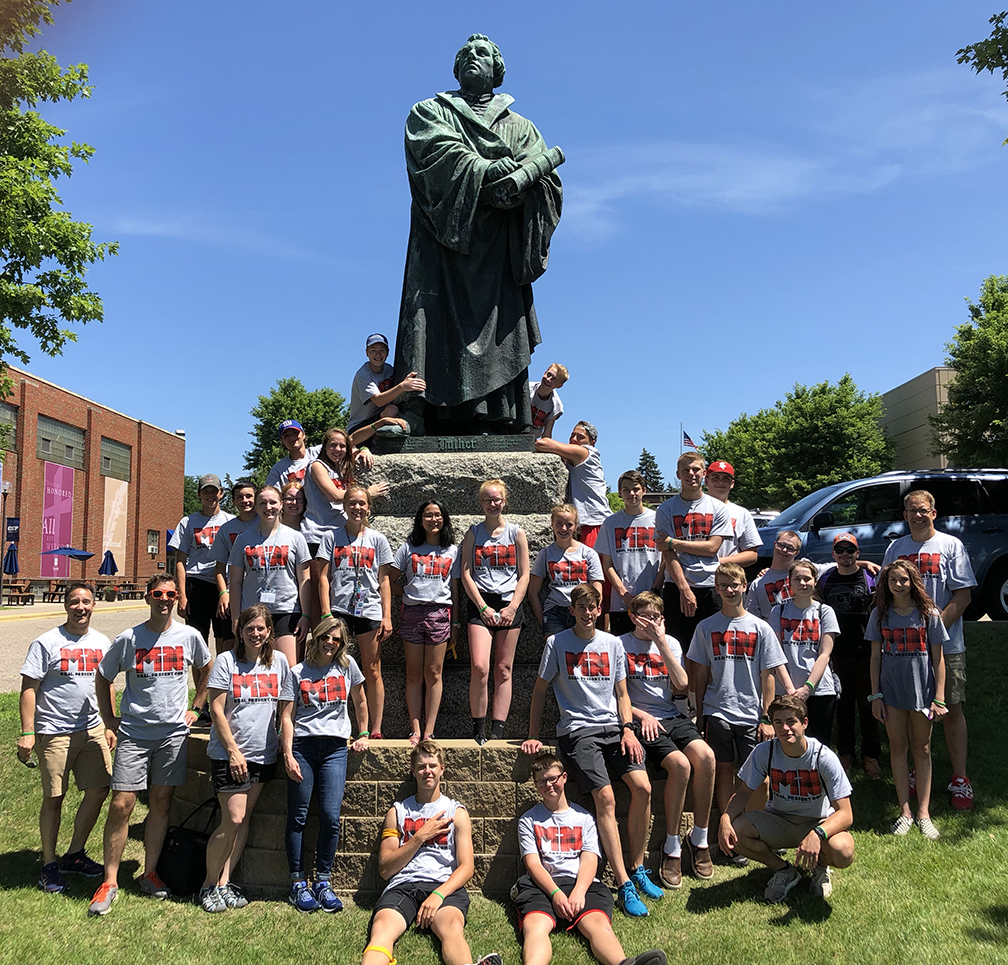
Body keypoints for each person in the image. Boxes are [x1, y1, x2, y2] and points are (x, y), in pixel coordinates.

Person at [393, 33, 562, 436]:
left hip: (499, 246)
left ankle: (502, 413)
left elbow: (548, 182)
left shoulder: (521, 127)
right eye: (465, 54)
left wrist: (520, 189)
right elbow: (434, 154)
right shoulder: (430, 111)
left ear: (496, 70)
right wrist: (489, 173)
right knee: (428, 318)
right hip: (442, 239)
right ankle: (416, 411)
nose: (473, 57)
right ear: (455, 69)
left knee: (500, 322)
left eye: (482, 53)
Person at [522, 584, 662, 918]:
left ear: (600, 609)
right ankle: (624, 883)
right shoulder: (557, 643)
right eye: (582, 606)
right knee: (607, 799)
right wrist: (532, 734)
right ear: (572, 610)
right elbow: (540, 690)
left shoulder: (612, 643)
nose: (588, 612)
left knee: (643, 787)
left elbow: (623, 694)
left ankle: (638, 868)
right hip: (577, 732)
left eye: (593, 606)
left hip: (614, 729)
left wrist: (628, 729)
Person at [88, 574, 211, 916]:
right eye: (158, 593)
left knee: (161, 801)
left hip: (172, 734)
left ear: (175, 599)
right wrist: (109, 718)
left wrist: (196, 707)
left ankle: (150, 872)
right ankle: (109, 880)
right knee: (122, 804)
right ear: (147, 597)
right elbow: (103, 676)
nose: (164, 599)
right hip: (134, 732)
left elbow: (207, 668)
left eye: (170, 594)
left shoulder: (189, 636)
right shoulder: (129, 638)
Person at [515, 750, 667, 965]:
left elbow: (589, 859)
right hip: (543, 885)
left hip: (582, 883)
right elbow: (532, 863)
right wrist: (556, 894)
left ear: (564, 778)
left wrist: (578, 891)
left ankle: (625, 964)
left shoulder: (584, 818)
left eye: (553, 779)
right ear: (535, 785)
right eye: (541, 782)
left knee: (597, 925)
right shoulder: (529, 820)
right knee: (536, 927)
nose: (548, 785)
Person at [686, 563, 793, 867]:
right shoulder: (706, 627)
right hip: (718, 709)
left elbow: (768, 674)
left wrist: (766, 717)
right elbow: (701, 671)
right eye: (723, 585)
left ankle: (757, 831)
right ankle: (730, 833)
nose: (730, 590)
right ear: (716, 589)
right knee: (724, 771)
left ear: (745, 586)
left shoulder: (760, 627)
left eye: (735, 584)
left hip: (751, 713)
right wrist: (699, 710)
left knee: (758, 779)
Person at [361, 740, 502, 965]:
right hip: (403, 886)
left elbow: (467, 867)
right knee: (381, 929)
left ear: (442, 770)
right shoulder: (397, 812)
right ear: (413, 771)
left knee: (451, 927)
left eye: (433, 766)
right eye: (421, 766)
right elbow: (386, 869)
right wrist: (419, 837)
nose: (427, 771)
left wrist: (439, 895)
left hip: (443, 885)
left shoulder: (456, 812)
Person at [882, 489, 976, 811]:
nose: (918, 515)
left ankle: (959, 778)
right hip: (906, 650)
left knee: (949, 708)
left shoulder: (951, 545)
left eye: (923, 510)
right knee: (912, 711)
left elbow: (962, 596)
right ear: (905, 515)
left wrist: (933, 634)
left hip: (946, 646)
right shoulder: (897, 548)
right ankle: (915, 774)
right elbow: (886, 590)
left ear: (933, 513)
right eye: (911, 510)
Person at [18, 582, 115, 893]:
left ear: (94, 605)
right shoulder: (46, 642)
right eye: (74, 601)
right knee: (54, 798)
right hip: (54, 731)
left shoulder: (102, 642)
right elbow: (29, 689)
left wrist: (110, 721)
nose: (81, 607)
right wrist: (27, 732)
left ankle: (74, 854)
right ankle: (48, 865)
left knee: (99, 789)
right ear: (65, 606)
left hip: (92, 729)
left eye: (86, 601)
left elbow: (108, 683)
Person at [718, 695, 855, 903]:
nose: (785, 729)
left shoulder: (823, 757)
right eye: (778, 723)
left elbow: (846, 813)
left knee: (843, 850)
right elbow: (743, 793)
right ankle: (784, 870)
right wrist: (725, 819)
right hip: (780, 819)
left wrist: (817, 834)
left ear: (805, 723)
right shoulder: (766, 751)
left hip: (816, 821)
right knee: (734, 832)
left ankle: (820, 868)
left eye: (791, 721)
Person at [200, 604, 290, 913]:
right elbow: (216, 710)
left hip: (263, 753)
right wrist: (233, 751)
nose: (255, 633)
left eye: (261, 628)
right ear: (240, 631)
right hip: (230, 754)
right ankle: (208, 884)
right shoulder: (227, 661)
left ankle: (224, 883)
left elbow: (283, 707)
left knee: (244, 820)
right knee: (233, 818)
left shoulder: (278, 662)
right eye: (250, 628)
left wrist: (282, 736)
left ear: (269, 632)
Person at [621, 592, 716, 887]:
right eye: (644, 615)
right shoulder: (619, 644)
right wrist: (641, 717)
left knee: (706, 757)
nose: (650, 622)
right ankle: (671, 845)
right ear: (633, 617)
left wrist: (661, 641)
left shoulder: (671, 642)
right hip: (641, 720)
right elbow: (616, 696)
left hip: (671, 716)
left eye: (656, 616)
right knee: (680, 765)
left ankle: (699, 836)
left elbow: (682, 683)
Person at [280, 613, 369, 912]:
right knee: (299, 816)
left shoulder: (347, 667)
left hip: (335, 748)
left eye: (336, 639)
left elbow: (360, 701)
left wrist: (364, 732)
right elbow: (287, 717)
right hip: (303, 747)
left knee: (331, 816)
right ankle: (297, 882)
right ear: (315, 638)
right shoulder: (297, 672)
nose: (330, 643)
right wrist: (288, 753)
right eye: (325, 638)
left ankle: (323, 881)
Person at [867, 560, 949, 839]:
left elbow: (938, 661)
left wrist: (939, 697)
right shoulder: (880, 614)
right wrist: (875, 695)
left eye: (904, 580)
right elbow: (875, 657)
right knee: (898, 747)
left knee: (922, 748)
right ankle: (905, 812)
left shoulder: (929, 614)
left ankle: (924, 813)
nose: (899, 585)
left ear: (913, 582)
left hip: (923, 692)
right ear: (886, 584)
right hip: (891, 692)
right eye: (893, 580)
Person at [315, 485, 393, 738]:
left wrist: (387, 616)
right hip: (339, 610)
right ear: (345, 506)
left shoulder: (378, 539)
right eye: (352, 503)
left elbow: (384, 580)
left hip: (369, 610)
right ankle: (338, 724)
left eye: (362, 503)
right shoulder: (331, 537)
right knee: (335, 668)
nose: (357, 508)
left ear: (369, 507)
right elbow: (323, 576)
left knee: (372, 669)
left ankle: (376, 728)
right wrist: (326, 612)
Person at [459, 479, 530, 743]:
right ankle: (478, 727)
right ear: (481, 503)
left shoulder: (516, 533)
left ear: (504, 501)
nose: (492, 503)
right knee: (479, 666)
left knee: (503, 668)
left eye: (497, 499)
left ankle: (497, 730)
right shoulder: (473, 533)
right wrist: (482, 607)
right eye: (487, 499)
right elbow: (466, 573)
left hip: (510, 603)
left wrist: (513, 606)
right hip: (481, 602)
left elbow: (524, 575)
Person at [390, 500, 460, 744]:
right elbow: (387, 578)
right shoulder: (408, 548)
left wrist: (456, 623)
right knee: (413, 674)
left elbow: (455, 588)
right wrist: (407, 591)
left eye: (438, 515)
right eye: (428, 515)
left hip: (440, 614)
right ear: (420, 519)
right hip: (412, 613)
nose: (433, 520)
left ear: (444, 519)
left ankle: (429, 730)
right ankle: (415, 729)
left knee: (434, 673)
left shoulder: (452, 550)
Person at [656, 452, 733, 652]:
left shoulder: (718, 508)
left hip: (711, 586)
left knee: (714, 649)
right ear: (678, 474)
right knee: (681, 650)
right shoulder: (665, 509)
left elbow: (712, 548)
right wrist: (684, 589)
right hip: (677, 587)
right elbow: (667, 553)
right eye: (685, 470)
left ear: (704, 473)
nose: (691, 474)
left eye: (696, 469)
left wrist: (672, 542)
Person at [818, 533, 881, 778]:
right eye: (840, 550)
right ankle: (845, 754)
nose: (845, 554)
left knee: (868, 705)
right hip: (836, 653)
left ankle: (871, 755)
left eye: (850, 550)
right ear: (833, 554)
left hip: (866, 651)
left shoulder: (870, 577)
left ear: (858, 553)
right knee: (842, 706)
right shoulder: (825, 580)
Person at [228, 484, 312, 667]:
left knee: (288, 670)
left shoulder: (296, 538)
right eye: (263, 503)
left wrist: (306, 615)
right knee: (252, 667)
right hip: (252, 612)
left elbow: (305, 579)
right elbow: (234, 582)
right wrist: (236, 618)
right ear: (256, 507)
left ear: (281, 504)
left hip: (286, 611)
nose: (268, 507)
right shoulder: (243, 539)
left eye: (273, 502)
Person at [769, 559, 841, 745]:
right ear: (789, 582)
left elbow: (825, 654)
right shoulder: (778, 611)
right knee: (788, 742)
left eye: (807, 579)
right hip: (786, 690)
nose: (802, 583)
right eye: (797, 579)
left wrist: (807, 688)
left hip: (820, 690)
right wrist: (790, 690)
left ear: (815, 581)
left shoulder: (824, 611)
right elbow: (775, 654)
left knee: (818, 744)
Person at [169, 473, 235, 652]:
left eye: (214, 491)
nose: (210, 495)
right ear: (199, 494)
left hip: (223, 586)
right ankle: (201, 681)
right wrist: (181, 595)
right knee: (198, 641)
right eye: (206, 491)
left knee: (225, 640)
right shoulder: (188, 522)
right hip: (197, 584)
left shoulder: (230, 521)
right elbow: (180, 561)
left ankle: (222, 678)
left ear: (221, 493)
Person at [302, 426, 389, 557]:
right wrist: (367, 494)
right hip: (317, 535)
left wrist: (364, 449)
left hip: (339, 534)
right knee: (320, 577)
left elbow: (354, 440)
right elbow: (335, 495)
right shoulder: (317, 466)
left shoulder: (340, 469)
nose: (337, 449)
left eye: (342, 446)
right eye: (333, 445)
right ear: (324, 447)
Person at [596, 470, 663, 636]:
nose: (631, 493)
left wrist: (654, 590)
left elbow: (665, 561)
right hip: (621, 604)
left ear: (644, 490)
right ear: (619, 493)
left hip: (654, 602)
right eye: (626, 490)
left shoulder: (658, 519)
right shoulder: (610, 523)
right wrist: (624, 595)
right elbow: (607, 565)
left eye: (636, 489)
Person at [529, 503, 604, 639]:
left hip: (581, 609)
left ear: (575, 526)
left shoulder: (589, 553)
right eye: (559, 523)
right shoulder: (545, 554)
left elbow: (597, 589)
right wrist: (543, 620)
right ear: (552, 524)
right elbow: (533, 591)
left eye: (569, 524)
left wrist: (591, 613)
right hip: (554, 611)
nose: (564, 528)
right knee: (556, 652)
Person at [534, 422, 610, 548]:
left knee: (589, 566)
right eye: (572, 435)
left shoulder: (586, 453)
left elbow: (542, 444)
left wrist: (551, 421)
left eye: (580, 437)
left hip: (594, 524)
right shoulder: (573, 458)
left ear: (592, 442)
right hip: (579, 524)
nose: (574, 439)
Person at [347, 333, 426, 444]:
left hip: (382, 418)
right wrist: (402, 386)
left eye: (382, 350)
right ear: (367, 353)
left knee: (394, 409)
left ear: (388, 352)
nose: (378, 354)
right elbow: (379, 401)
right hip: (359, 429)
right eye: (373, 350)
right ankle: (375, 444)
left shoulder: (389, 370)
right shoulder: (363, 375)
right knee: (391, 410)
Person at [210, 478, 260, 654]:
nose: (245, 500)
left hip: (258, 594)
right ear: (233, 501)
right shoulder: (226, 529)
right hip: (234, 596)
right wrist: (224, 593)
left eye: (249, 496)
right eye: (240, 497)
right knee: (229, 646)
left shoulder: (266, 523)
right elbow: (219, 568)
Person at [703, 461, 762, 569]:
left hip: (729, 579)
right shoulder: (695, 510)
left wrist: (717, 562)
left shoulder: (742, 513)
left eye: (726, 478)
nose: (720, 482)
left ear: (732, 483)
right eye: (715, 478)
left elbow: (752, 554)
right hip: (695, 577)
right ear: (706, 481)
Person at [745, 530, 802, 620]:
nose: (784, 550)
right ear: (775, 544)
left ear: (796, 553)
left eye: (790, 548)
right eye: (781, 545)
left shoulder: (804, 572)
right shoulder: (758, 583)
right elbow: (752, 619)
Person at [266, 419, 321, 489]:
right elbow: (272, 495)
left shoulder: (319, 452)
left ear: (303, 435)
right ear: (282, 441)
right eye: (286, 435)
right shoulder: (278, 470)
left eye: (295, 432)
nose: (291, 437)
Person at [528, 363, 568, 440]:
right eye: (548, 374)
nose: (548, 379)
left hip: (532, 439)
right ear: (544, 373)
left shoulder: (556, 405)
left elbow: (547, 434)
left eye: (554, 379)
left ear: (559, 385)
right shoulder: (526, 389)